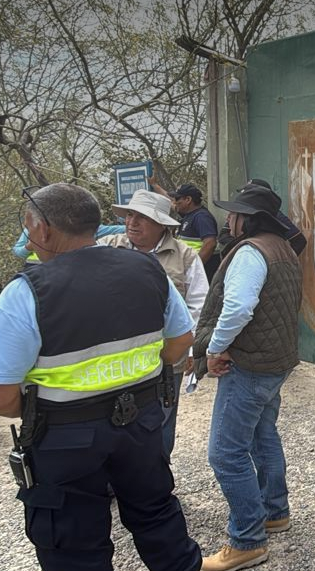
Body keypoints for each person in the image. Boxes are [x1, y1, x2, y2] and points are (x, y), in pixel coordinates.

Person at [0, 183, 201, 571]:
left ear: (43, 230)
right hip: (141, 425)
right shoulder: (148, 270)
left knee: (73, 546)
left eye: (29, 227)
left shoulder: (26, 293)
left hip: (63, 440)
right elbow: (181, 341)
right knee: (158, 518)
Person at [191, 185, 302, 571]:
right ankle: (275, 512)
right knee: (262, 434)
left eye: (234, 213)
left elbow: (238, 307)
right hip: (277, 360)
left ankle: (248, 541)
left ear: (247, 219)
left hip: (250, 363)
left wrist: (214, 348)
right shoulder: (284, 247)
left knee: (225, 453)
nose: (228, 220)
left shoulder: (251, 252)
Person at [97, 189, 208, 456]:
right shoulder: (106, 248)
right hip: (116, 358)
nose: (132, 222)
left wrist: (190, 351)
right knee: (114, 421)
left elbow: (198, 306)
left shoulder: (184, 257)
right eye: (130, 215)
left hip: (166, 359)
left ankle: (158, 481)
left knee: (161, 420)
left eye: (142, 217)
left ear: (161, 224)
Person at [216, 179, 306, 260]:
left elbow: (299, 240)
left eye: (249, 192)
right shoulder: (238, 216)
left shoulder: (275, 216)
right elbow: (223, 236)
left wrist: (284, 261)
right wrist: (241, 245)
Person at [168, 183, 220, 279]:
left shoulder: (201, 217)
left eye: (177, 199)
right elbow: (169, 202)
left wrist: (194, 268)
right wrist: (154, 185)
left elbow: (210, 243)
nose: (174, 202)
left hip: (198, 273)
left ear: (188, 200)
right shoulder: (188, 215)